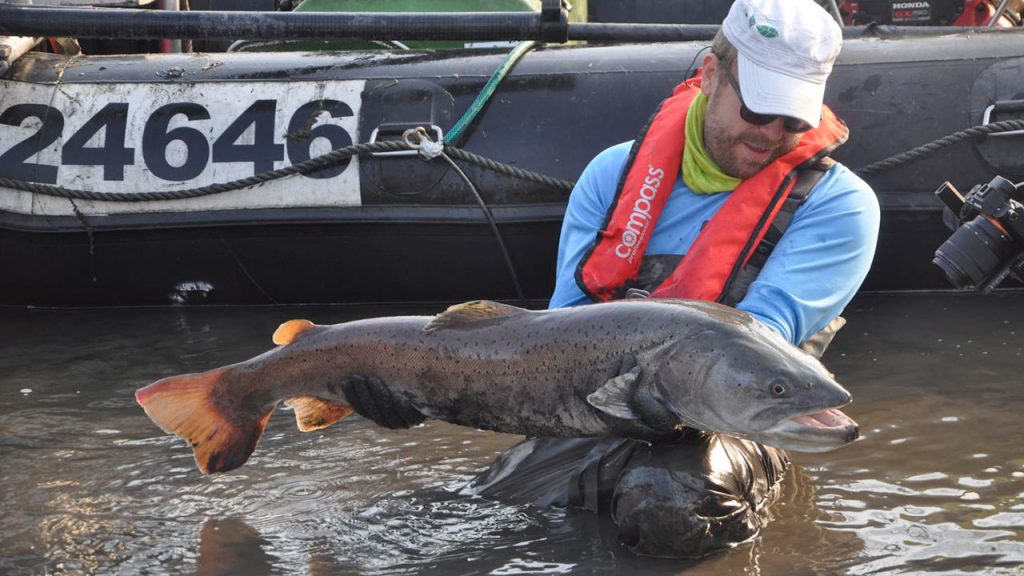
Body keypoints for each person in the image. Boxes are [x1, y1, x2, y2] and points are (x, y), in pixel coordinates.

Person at [342, 0, 880, 558]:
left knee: (667, 499)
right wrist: (421, 396)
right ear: (711, 75)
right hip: (596, 407)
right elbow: (556, 339)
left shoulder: (839, 204)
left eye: (794, 121)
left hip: (735, 424)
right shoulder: (612, 174)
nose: (771, 133)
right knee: (459, 528)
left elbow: (754, 348)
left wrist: (654, 391)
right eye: (758, 109)